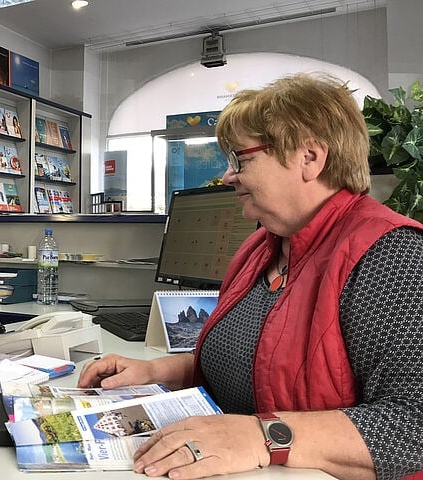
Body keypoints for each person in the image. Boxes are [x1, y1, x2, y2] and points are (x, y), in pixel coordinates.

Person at [78, 73, 423, 480]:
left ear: (309, 158)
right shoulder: (259, 249)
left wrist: (264, 437)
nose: (228, 176)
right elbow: (247, 368)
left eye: (241, 159)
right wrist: (156, 372)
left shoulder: (391, 255)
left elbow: (412, 425)